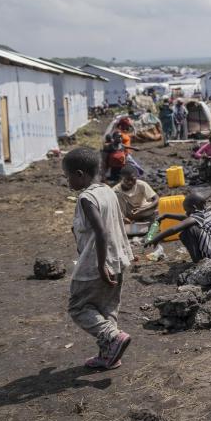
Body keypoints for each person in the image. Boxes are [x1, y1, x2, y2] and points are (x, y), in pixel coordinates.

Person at [61, 147, 133, 370]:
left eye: (68, 176)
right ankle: (109, 355)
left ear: (80, 174)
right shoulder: (108, 191)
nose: (67, 180)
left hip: (96, 264)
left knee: (79, 307)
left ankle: (112, 337)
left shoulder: (86, 198)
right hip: (117, 259)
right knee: (106, 310)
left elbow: (101, 231)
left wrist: (101, 265)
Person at [145, 192, 211, 263]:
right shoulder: (208, 211)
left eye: (187, 210)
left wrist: (157, 238)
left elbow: (175, 229)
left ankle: (198, 262)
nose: (186, 213)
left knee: (188, 231)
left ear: (194, 207)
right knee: (190, 225)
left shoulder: (198, 216)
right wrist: (166, 215)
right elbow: (188, 218)